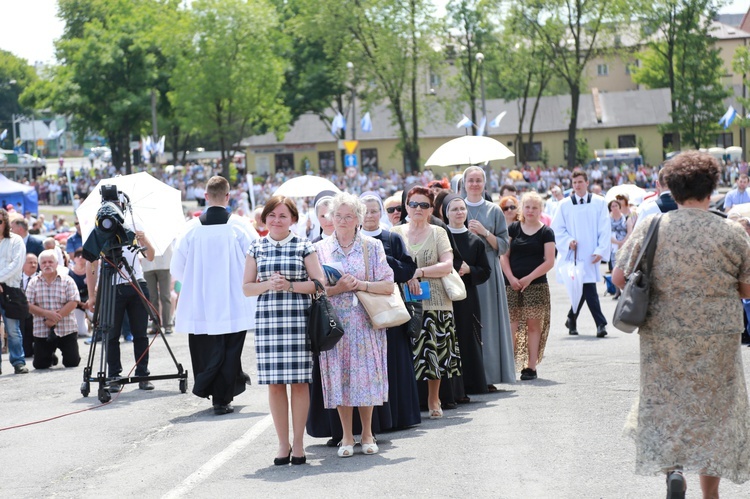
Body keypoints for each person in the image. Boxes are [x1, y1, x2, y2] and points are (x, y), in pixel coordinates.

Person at [613, 151, 750, 499]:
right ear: (712, 188)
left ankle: (673, 470)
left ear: (671, 190)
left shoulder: (652, 225)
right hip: (718, 337)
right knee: (717, 413)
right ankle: (710, 494)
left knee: (665, 403)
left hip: (663, 333)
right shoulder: (732, 232)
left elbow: (618, 276)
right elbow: (747, 288)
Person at [243, 195, 323, 464]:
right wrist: (268, 284)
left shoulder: (303, 245)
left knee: (300, 383)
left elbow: (319, 284)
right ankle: (282, 444)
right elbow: (246, 288)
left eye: (283, 216)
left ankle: (299, 443)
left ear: (293, 220)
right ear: (264, 218)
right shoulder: (256, 246)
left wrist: (289, 285)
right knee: (275, 385)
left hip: (299, 321)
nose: (277, 220)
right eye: (272, 215)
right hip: (268, 323)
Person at [315, 193, 394, 457]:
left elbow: (387, 284)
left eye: (349, 216)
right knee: (340, 378)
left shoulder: (372, 247)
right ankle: (347, 436)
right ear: (330, 218)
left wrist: (359, 285)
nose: (343, 221)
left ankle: (368, 433)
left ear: (359, 219)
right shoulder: (320, 249)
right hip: (335, 325)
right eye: (338, 215)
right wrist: (337, 289)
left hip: (365, 322)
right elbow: (314, 290)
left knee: (366, 379)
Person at [173, 175, 258, 415]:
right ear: (228, 196)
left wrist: (195, 284)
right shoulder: (241, 227)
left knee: (206, 347)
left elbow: (177, 268)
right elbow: (256, 261)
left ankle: (211, 388)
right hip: (234, 300)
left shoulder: (190, 229)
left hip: (201, 302)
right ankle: (223, 396)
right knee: (231, 348)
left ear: (206, 197)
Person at [392, 186, 459, 419]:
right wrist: (406, 275)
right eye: (413, 204)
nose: (418, 209)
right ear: (406, 207)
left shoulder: (438, 232)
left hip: (436, 300)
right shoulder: (395, 232)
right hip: (403, 301)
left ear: (431, 209)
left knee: (434, 352)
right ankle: (411, 401)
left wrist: (417, 272)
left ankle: (433, 399)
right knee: (407, 353)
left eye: (424, 205)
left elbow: (447, 265)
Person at [461, 166, 515, 389]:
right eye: (470, 180)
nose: (474, 184)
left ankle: (490, 375)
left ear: (484, 183)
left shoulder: (494, 211)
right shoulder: (457, 207)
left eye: (478, 180)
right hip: (464, 272)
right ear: (464, 184)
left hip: (488, 274)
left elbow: (503, 246)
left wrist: (485, 233)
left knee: (489, 323)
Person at [86, 229, 156, 391]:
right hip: (110, 286)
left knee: (140, 334)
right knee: (111, 334)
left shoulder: (134, 227)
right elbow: (91, 262)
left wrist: (144, 239)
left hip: (136, 284)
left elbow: (150, 256)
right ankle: (114, 375)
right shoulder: (100, 230)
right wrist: (91, 295)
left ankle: (143, 374)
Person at [500, 192, 555, 381]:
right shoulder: (513, 229)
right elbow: (503, 256)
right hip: (512, 283)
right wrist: (511, 277)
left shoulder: (546, 232)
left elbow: (549, 261)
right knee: (511, 325)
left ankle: (530, 367)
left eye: (534, 207)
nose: (530, 211)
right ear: (522, 208)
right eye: (527, 207)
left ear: (540, 210)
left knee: (533, 326)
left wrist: (529, 278)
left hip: (536, 284)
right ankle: (508, 366)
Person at [551, 171, 611, 338]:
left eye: (580, 182)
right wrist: (568, 241)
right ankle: (600, 323)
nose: (577, 185)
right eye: (574, 182)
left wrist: (601, 250)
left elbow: (605, 228)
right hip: (574, 254)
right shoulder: (564, 204)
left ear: (587, 182)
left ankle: (572, 318)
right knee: (587, 286)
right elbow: (557, 229)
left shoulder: (599, 202)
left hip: (591, 253)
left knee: (584, 287)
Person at [441, 194, 491, 394]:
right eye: (454, 209)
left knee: (468, 337)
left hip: (468, 295)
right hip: (444, 294)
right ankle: (452, 387)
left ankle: (471, 383)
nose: (459, 213)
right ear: (446, 213)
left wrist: (470, 270)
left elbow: (485, 270)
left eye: (462, 209)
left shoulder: (475, 241)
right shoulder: (441, 236)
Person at [26, 250, 81, 370]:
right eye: (44, 262)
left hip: (66, 328)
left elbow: (73, 302)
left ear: (57, 264)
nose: (47, 265)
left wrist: (55, 318)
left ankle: (62, 353)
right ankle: (50, 355)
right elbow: (28, 305)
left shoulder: (67, 280)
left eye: (50, 262)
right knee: (40, 365)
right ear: (40, 265)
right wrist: (47, 314)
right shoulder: (33, 282)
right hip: (42, 329)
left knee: (72, 362)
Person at [0, 209, 29, 374]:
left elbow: (16, 265)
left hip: (11, 289)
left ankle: (18, 361)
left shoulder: (16, 240)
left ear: (5, 223)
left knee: (12, 329)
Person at [142, 244, 173, 334]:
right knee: (152, 297)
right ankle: (155, 325)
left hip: (164, 263)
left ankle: (167, 325)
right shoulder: (142, 230)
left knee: (165, 296)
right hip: (147, 265)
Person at [68, 248, 91, 338]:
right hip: (76, 303)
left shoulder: (91, 271)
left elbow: (95, 288)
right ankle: (86, 321)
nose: (80, 257)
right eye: (78, 256)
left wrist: (90, 300)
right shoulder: (69, 272)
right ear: (74, 259)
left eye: (83, 255)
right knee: (82, 332)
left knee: (95, 316)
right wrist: (79, 303)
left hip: (90, 301)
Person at [21, 253, 38, 356]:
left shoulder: (42, 278)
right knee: (26, 352)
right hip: (21, 314)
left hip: (37, 314)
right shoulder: (16, 278)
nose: (33, 265)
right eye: (30, 262)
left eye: (35, 262)